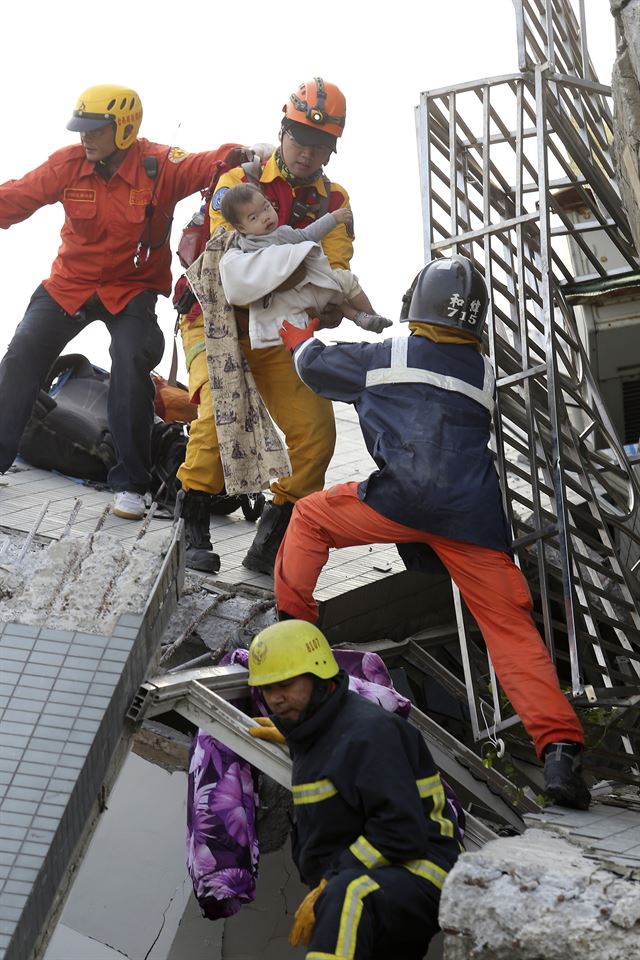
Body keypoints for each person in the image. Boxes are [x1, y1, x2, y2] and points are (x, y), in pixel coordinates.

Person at [275, 255, 591, 811]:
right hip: (473, 519)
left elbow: (313, 367)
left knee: (311, 517)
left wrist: (295, 331)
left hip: (401, 500)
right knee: (510, 632)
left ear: (415, 305)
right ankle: (560, 751)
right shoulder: (485, 373)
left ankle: (291, 625)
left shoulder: (389, 353)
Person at [0, 84, 244, 520]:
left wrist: (245, 154)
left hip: (131, 290)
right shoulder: (68, 164)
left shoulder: (159, 166)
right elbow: (16, 197)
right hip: (69, 285)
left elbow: (209, 163)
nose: (84, 137)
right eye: (81, 129)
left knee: (131, 359)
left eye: (94, 130)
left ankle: (131, 485)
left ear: (125, 128)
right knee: (21, 354)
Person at [178, 78, 380, 576]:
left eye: (320, 145)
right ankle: (191, 529)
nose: (308, 153)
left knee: (315, 433)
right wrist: (310, 276)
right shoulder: (235, 181)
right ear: (282, 130)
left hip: (279, 331)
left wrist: (330, 302)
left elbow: (334, 270)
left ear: (332, 148)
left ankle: (271, 539)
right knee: (214, 417)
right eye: (299, 140)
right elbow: (233, 261)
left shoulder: (335, 202)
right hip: (214, 322)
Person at [246, 619, 461, 959]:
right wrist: (294, 740)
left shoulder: (369, 734)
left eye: (285, 684)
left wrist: (330, 883)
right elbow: (342, 773)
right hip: (378, 873)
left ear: (319, 677)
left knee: (348, 897)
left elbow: (399, 832)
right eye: (268, 689)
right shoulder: (317, 727)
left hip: (420, 870)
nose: (276, 699)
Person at [218, 183, 391, 348]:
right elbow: (308, 235)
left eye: (266, 207)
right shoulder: (280, 236)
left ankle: (359, 317)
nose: (265, 217)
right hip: (300, 293)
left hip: (285, 307)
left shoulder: (239, 247)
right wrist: (333, 218)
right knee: (344, 281)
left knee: (335, 296)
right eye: (254, 217)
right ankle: (370, 314)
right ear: (241, 227)